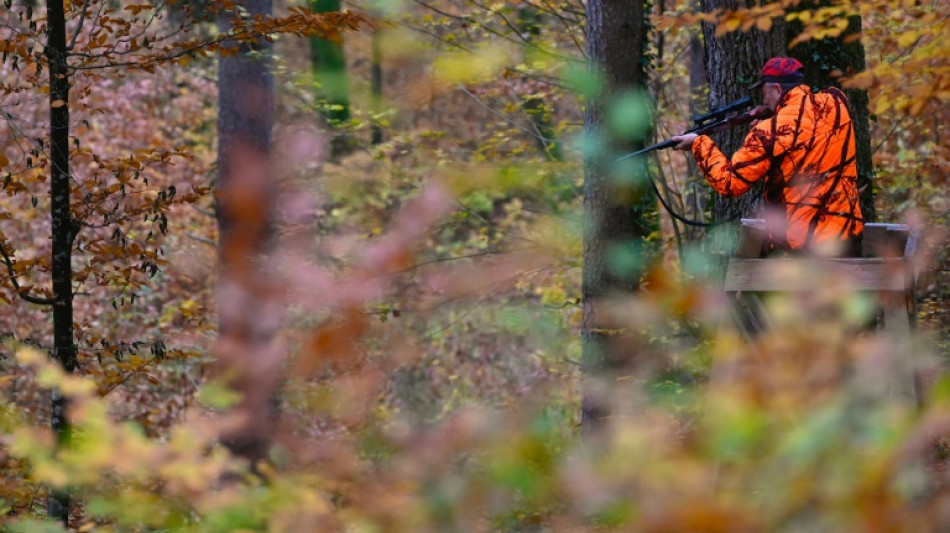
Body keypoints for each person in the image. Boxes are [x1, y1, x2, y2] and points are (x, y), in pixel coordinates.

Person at [672, 57, 864, 257]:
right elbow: (808, 124)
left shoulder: (768, 133)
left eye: (765, 92)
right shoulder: (836, 102)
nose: (764, 100)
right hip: (848, 239)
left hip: (803, 249)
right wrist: (776, 113)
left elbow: (729, 183)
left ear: (777, 90)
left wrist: (698, 143)